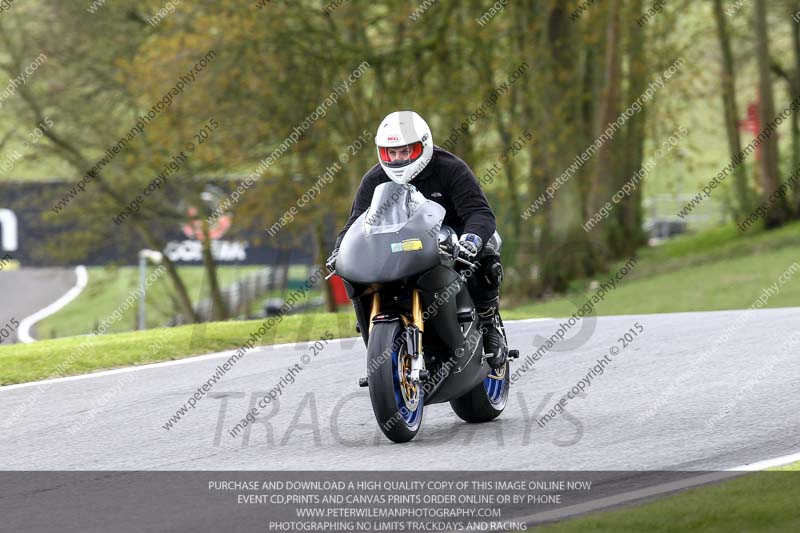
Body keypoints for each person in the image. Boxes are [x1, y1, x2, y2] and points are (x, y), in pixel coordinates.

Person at [327, 110, 508, 369]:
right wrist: (339, 250)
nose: (398, 158)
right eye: (392, 152)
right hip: (396, 250)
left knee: (487, 251)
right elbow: (355, 223)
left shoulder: (450, 168)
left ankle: (489, 325)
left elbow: (479, 213)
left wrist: (471, 240)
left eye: (405, 151)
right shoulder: (374, 179)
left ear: (423, 146)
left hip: (451, 244)